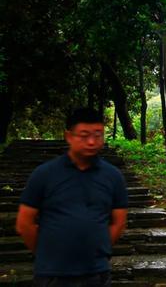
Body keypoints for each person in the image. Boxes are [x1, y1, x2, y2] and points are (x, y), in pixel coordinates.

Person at [16, 108, 128, 286]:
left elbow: (119, 222)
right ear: (69, 136)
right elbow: (24, 223)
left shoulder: (113, 176)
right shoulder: (44, 174)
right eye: (84, 135)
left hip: (97, 273)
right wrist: (46, 254)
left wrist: (99, 250)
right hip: (52, 274)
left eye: (98, 135)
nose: (91, 142)